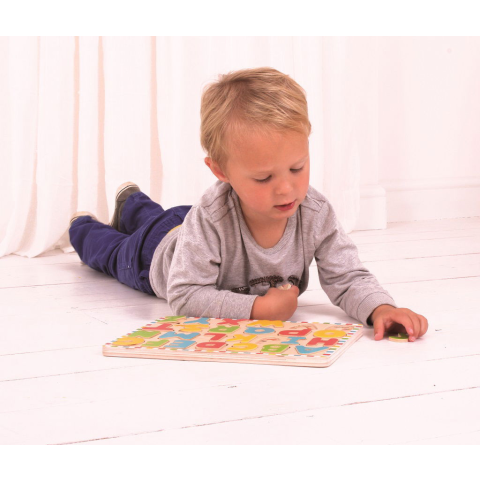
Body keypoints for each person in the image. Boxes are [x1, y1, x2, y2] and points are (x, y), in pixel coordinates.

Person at [69, 67, 428, 341]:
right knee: (111, 252)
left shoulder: (315, 213)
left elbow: (346, 276)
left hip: (183, 223)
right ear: (220, 171)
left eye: (297, 168)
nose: (286, 189)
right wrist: (258, 308)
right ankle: (83, 225)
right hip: (154, 254)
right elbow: (184, 294)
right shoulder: (211, 218)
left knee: (159, 217)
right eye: (264, 178)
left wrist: (380, 308)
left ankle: (132, 202)